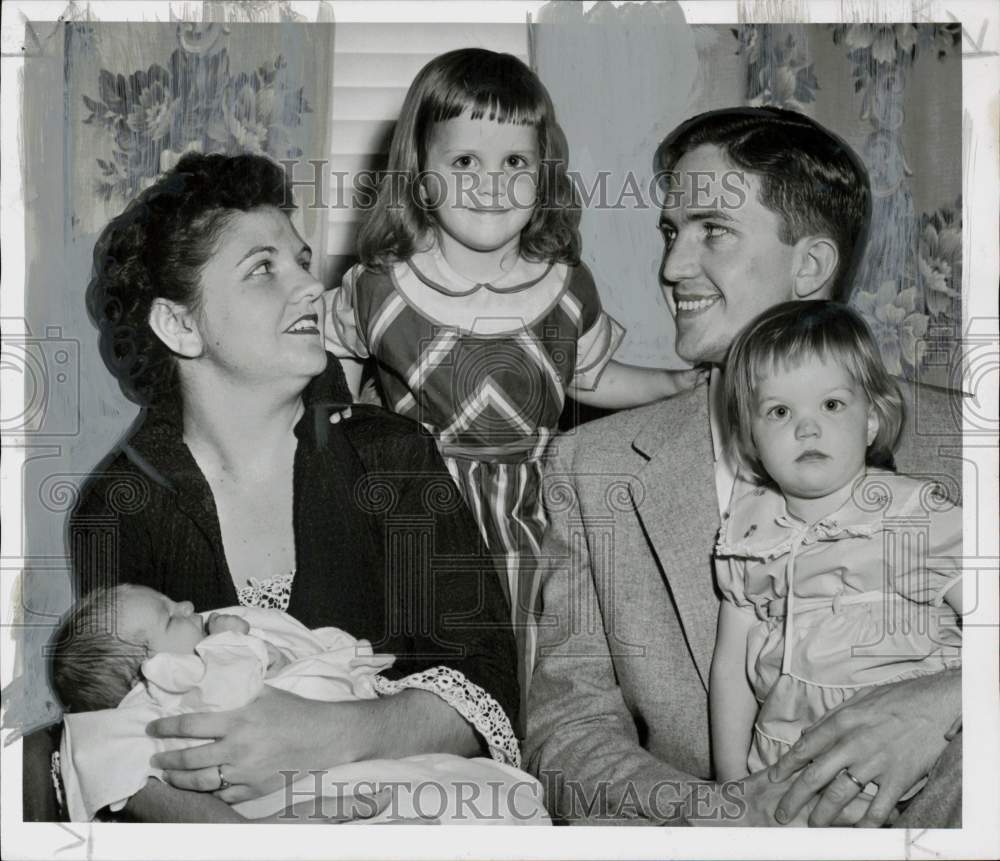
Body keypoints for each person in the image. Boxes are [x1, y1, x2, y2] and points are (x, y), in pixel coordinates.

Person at [525, 107, 963, 827]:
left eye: (713, 230)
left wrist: (944, 701)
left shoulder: (969, 436)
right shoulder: (590, 466)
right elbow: (566, 733)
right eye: (671, 231)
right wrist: (720, 812)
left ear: (811, 266)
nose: (671, 266)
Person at [69, 152, 522, 823]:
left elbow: (490, 687)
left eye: (302, 261)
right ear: (180, 325)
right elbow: (116, 736)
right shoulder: (120, 506)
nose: (311, 286)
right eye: (263, 269)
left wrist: (333, 731)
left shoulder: (392, 458)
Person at [324, 48, 701, 700]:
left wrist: (673, 384)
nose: (491, 184)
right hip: (412, 512)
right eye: (464, 161)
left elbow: (589, 376)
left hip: (528, 513)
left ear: (544, 172)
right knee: (413, 671)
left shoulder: (564, 289)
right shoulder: (377, 289)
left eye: (514, 163)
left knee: (525, 665)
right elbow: (327, 368)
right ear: (419, 173)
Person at [711, 301, 962, 809]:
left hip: (920, 770)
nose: (807, 429)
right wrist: (732, 786)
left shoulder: (915, 515)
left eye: (830, 405)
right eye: (780, 412)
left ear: (871, 419)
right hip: (787, 771)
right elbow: (730, 669)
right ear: (753, 439)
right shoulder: (748, 533)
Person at [51, 585, 546, 825]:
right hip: (287, 798)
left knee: (452, 789)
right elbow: (97, 743)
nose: (187, 607)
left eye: (172, 601)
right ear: (150, 670)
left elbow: (486, 669)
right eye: (168, 617)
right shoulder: (176, 682)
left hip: (376, 739)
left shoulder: (388, 447)